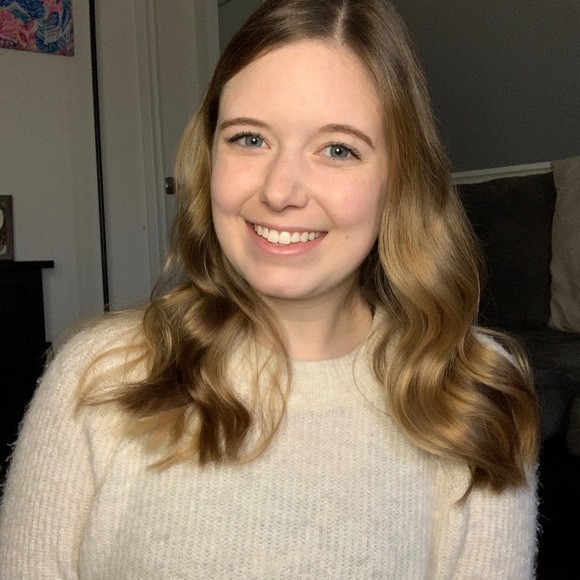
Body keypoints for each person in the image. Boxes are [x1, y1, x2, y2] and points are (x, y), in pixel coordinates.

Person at [0, 0, 539, 577]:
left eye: (338, 149)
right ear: (210, 155)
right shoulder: (97, 378)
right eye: (250, 139)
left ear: (399, 179)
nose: (280, 192)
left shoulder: (474, 396)